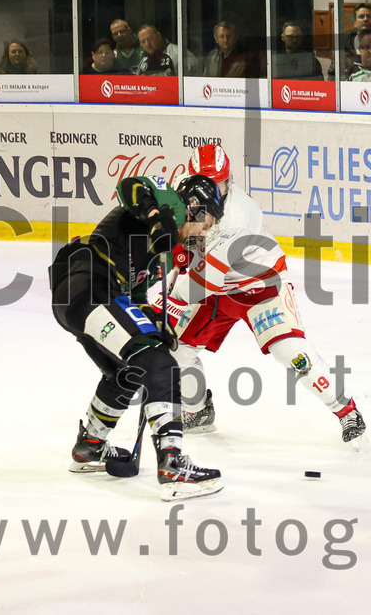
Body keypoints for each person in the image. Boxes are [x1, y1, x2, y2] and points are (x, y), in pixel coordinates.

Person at [158, 145, 367, 445]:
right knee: (177, 350)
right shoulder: (184, 195)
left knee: (292, 353)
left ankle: (346, 411)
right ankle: (198, 409)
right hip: (216, 285)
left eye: (218, 184)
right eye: (205, 183)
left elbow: (202, 284)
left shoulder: (239, 216)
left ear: (228, 180)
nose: (212, 191)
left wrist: (164, 307)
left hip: (259, 285)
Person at [50, 172, 225, 501]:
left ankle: (90, 446)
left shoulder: (167, 253)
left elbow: (137, 299)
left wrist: (159, 325)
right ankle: (173, 465)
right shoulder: (169, 202)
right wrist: (157, 218)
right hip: (90, 283)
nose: (205, 232)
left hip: (81, 297)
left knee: (127, 370)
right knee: (162, 365)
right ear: (196, 209)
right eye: (208, 221)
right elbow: (129, 186)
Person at [330, 2, 371, 80]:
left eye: (369, 16)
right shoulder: (343, 47)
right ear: (355, 23)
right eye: (361, 16)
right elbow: (332, 76)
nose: (365, 19)